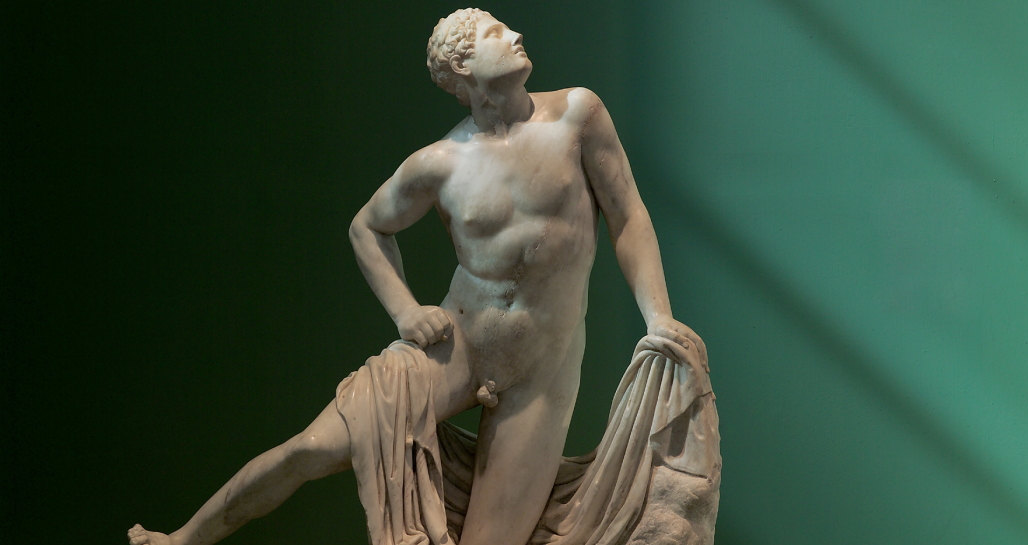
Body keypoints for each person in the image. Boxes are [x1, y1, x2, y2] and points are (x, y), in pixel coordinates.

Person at [128, 8, 704, 545]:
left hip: (541, 372)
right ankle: (181, 540)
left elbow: (628, 215)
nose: (515, 35)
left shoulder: (578, 114)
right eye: (495, 33)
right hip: (456, 347)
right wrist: (406, 311)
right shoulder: (441, 162)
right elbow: (367, 228)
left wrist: (657, 316)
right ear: (463, 67)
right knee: (309, 449)